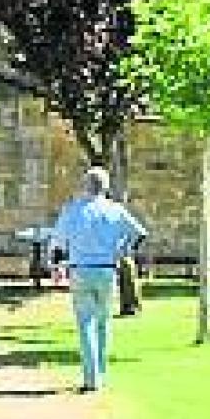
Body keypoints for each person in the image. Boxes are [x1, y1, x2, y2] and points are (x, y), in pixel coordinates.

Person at [48, 167, 147, 392]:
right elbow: (140, 234)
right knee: (103, 323)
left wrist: (56, 268)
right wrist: (123, 251)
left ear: (85, 185)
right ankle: (101, 374)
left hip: (81, 270)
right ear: (106, 187)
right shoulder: (115, 210)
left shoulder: (72, 210)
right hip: (106, 270)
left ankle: (91, 378)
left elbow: (58, 242)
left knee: (85, 324)